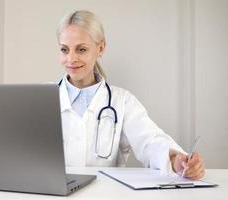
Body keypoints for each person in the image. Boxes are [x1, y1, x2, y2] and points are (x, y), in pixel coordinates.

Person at [56, 10, 205, 180]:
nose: (71, 58)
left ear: (101, 48)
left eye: (81, 49)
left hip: (103, 194)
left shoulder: (123, 101)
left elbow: (150, 141)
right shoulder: (41, 100)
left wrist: (175, 160)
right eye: (64, 50)